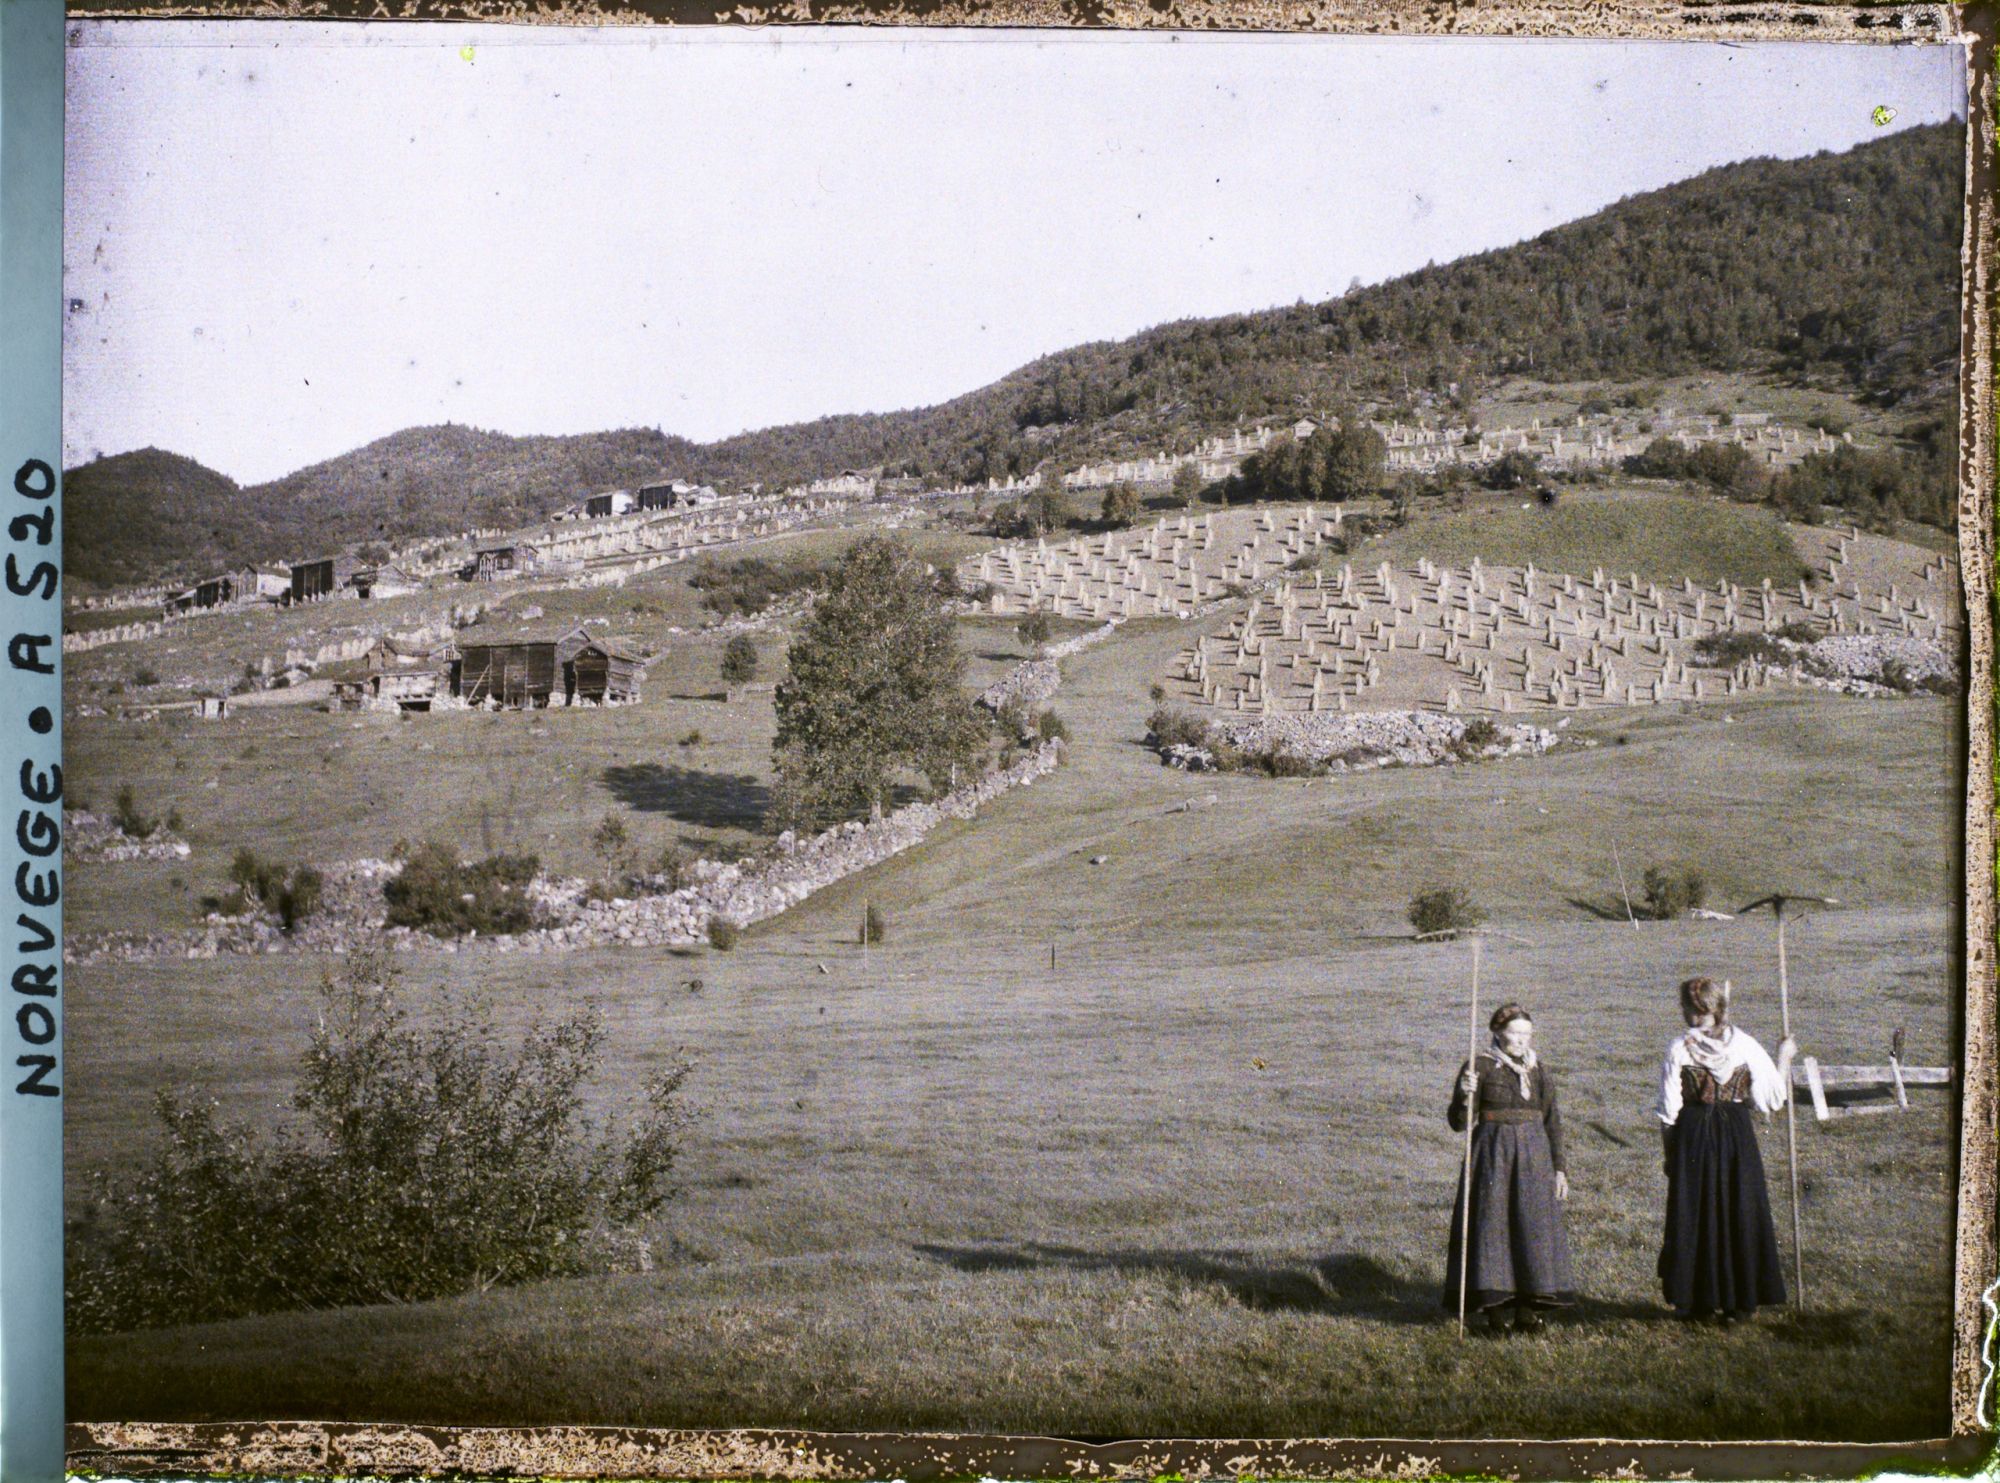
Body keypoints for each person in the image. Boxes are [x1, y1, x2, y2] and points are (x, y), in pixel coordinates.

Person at [1656, 975, 1796, 1323]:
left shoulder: (1680, 1047)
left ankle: (1702, 1301)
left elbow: (1669, 1110)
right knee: (1737, 1208)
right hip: (1734, 1132)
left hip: (1695, 1133)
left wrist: (1670, 1153)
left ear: (1708, 1009)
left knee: (1699, 1210)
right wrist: (1784, 1056)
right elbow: (1771, 1097)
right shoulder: (1743, 1044)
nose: (1689, 1016)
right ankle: (1735, 1304)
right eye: (1688, 1009)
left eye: (1692, 1010)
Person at [1444, 1002, 1576, 1334]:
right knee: (1494, 1228)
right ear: (1498, 1032)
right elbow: (1458, 1123)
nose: (1522, 1040)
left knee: (1531, 1228)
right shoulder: (1480, 1067)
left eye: (1527, 1034)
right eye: (1516, 1033)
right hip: (1492, 1157)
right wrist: (1463, 1096)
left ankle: (1528, 1311)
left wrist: (1559, 1169)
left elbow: (1552, 1121)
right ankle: (1496, 1313)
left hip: (1534, 1159)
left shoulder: (1539, 1070)